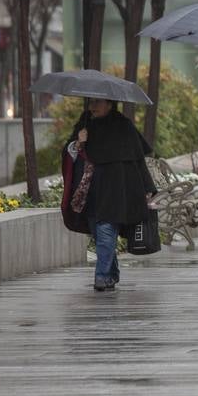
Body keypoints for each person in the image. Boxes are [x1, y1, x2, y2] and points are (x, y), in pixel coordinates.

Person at [63, 97, 156, 291]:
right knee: (99, 233)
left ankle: (101, 277)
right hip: (90, 191)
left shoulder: (123, 126)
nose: (93, 106)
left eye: (98, 102)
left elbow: (138, 160)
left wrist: (147, 189)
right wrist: (78, 143)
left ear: (110, 104)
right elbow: (69, 153)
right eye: (92, 102)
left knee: (105, 231)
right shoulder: (85, 122)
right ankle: (112, 273)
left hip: (116, 190)